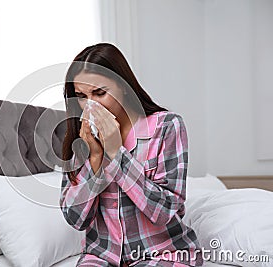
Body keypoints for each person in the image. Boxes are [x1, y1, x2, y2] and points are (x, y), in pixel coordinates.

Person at [59, 43, 204, 267]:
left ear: (124, 86)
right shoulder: (81, 138)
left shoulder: (166, 126)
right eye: (81, 96)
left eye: (100, 93)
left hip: (162, 253)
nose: (90, 106)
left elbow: (164, 211)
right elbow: (75, 219)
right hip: (101, 256)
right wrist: (96, 160)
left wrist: (116, 153)